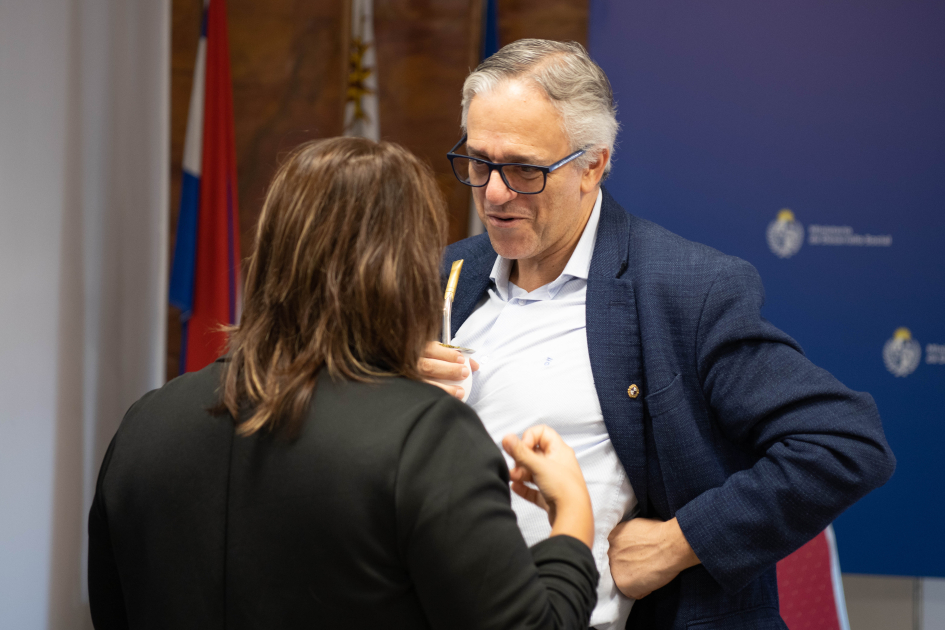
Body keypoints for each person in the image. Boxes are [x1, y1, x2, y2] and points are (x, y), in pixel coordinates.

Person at [420, 39, 895, 630]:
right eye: (479, 161)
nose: (493, 193)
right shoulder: (447, 277)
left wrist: (681, 542)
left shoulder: (683, 290)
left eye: (524, 169)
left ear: (593, 164)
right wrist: (393, 394)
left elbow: (845, 444)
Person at [87, 137, 602, 629]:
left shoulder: (143, 424)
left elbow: (113, 611)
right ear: (407, 271)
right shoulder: (426, 438)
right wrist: (573, 523)